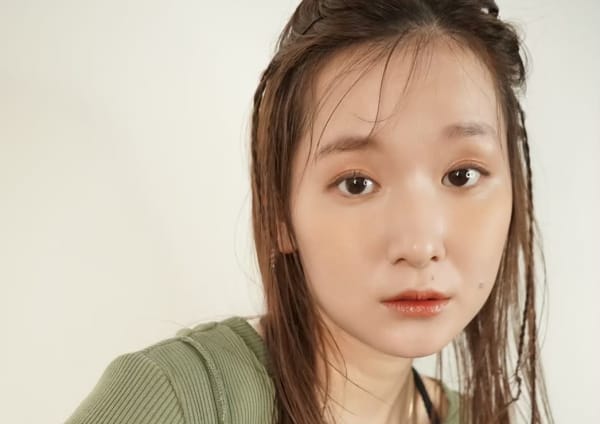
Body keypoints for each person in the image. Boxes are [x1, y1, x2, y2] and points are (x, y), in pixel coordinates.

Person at [65, 0, 554, 423]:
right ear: (279, 212)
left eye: (462, 175)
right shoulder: (178, 400)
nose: (420, 245)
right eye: (357, 183)